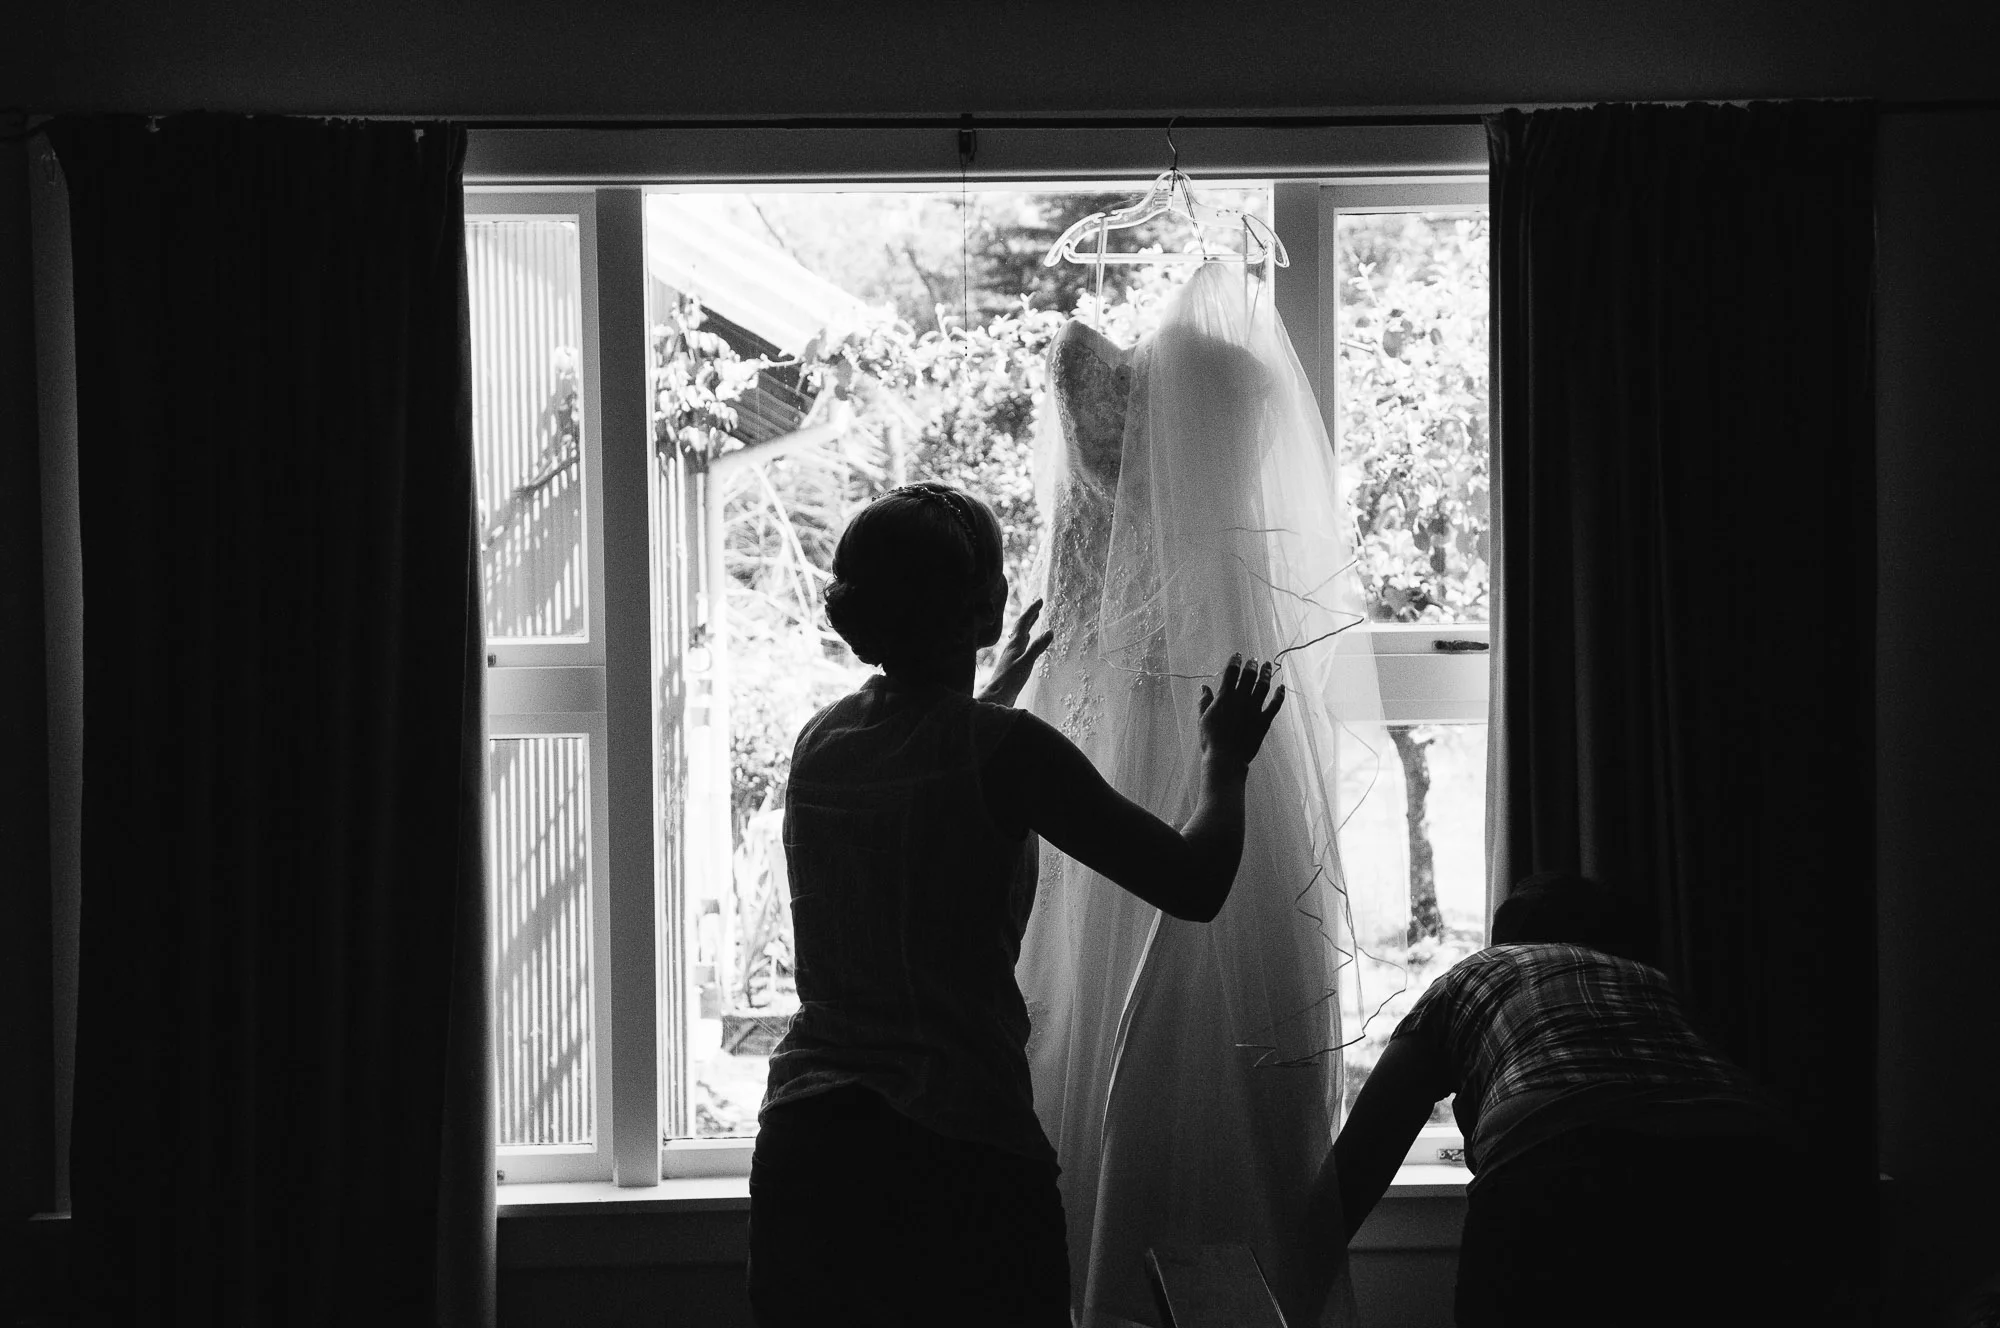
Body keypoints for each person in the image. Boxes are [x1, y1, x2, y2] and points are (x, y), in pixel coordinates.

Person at [746, 480, 1285, 1328]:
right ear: (988, 607)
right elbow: (1193, 883)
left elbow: (926, 781)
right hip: (955, 1153)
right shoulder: (1007, 751)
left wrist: (992, 688)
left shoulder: (822, 742)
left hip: (811, 1149)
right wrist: (1226, 761)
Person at [1018, 260, 1374, 1328]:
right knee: (1124, 993)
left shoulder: (1166, 385)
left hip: (1178, 718)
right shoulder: (1217, 389)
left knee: (1186, 1009)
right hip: (1168, 723)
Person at [1306, 872, 1811, 1327]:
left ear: (1505, 939)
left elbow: (1367, 1150)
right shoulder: (1652, 981)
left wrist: (1294, 1276)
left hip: (1560, 1159)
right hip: (1757, 1159)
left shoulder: (1476, 972)